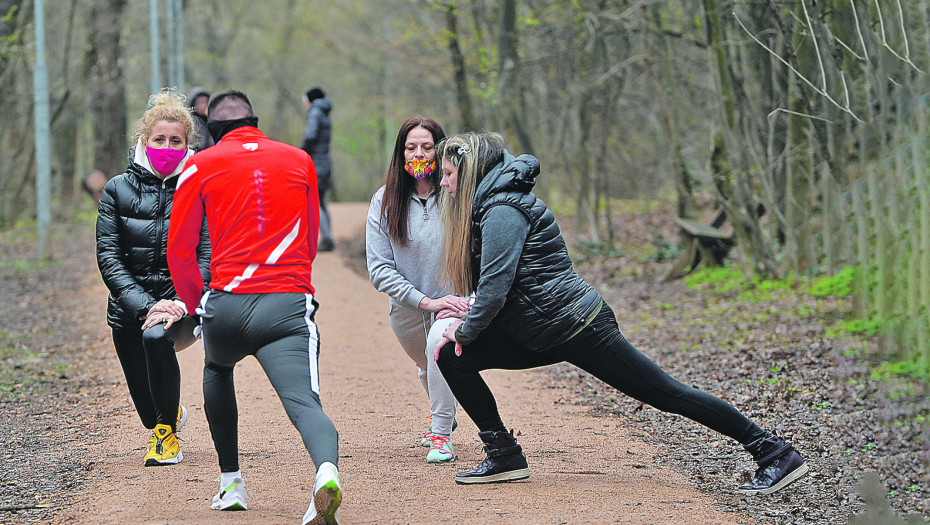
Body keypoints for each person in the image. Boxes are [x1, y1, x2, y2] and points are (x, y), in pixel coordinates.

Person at [432, 132, 809, 495]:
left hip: (578, 326)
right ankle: (504, 455)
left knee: (667, 394)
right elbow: (503, 287)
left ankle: (773, 451)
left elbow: (496, 288)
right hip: (539, 330)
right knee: (452, 358)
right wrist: (469, 324)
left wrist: (466, 330)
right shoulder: (493, 205)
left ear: (470, 174)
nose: (444, 183)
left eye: (448, 174)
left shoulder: (502, 209)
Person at [167, 89, 342, 524]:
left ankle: (231, 484)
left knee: (216, 369)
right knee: (304, 401)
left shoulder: (197, 165)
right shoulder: (299, 160)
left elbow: (180, 252)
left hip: (225, 306)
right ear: (255, 121)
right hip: (285, 307)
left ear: (212, 129)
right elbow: (310, 237)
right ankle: (325, 473)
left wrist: (196, 308)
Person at [95, 89, 210, 467]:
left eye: (175, 140)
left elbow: (207, 254)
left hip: (181, 307)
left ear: (187, 143)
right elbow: (109, 257)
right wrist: (145, 304)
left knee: (157, 335)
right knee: (149, 410)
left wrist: (177, 302)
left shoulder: (200, 187)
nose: (167, 146)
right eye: (159, 139)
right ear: (144, 140)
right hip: (129, 310)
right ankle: (163, 416)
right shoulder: (116, 190)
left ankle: (166, 439)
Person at [366, 116, 469, 463]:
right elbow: (379, 269)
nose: (419, 154)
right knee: (427, 367)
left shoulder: (458, 196)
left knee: (438, 350)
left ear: (440, 153)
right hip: (407, 310)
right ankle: (447, 413)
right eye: (412, 147)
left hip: (453, 303)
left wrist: (452, 300)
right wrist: (424, 301)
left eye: (427, 147)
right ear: (401, 152)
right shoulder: (384, 201)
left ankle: (440, 433)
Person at [301, 87, 335, 252]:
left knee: (315, 201)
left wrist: (300, 152)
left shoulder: (315, 112)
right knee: (322, 200)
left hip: (316, 163)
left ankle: (327, 238)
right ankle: (328, 237)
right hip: (325, 162)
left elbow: (310, 135)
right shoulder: (325, 113)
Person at [187, 86, 215, 152]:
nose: (203, 106)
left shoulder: (214, 121)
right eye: (201, 103)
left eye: (206, 102)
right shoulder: (190, 123)